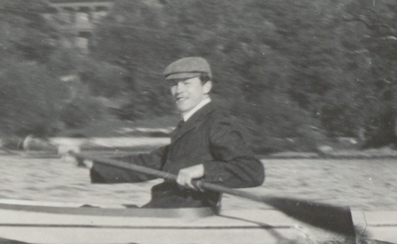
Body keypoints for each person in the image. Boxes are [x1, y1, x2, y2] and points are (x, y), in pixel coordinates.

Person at [62, 56, 264, 209]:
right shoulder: (189, 124)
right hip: (165, 211)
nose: (179, 90)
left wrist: (202, 170)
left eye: (187, 83)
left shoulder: (216, 123)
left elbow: (252, 170)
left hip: (185, 217)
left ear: (206, 86)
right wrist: (89, 162)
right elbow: (147, 163)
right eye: (174, 84)